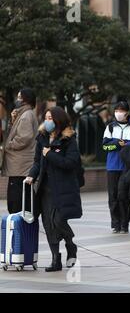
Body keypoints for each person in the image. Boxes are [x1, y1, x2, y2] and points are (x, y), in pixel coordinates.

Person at [25, 107, 82, 272]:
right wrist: (31, 176)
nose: (47, 121)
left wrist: (50, 154)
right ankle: (55, 259)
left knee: (58, 220)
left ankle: (70, 245)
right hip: (45, 188)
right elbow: (37, 162)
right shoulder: (42, 137)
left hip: (63, 187)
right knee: (48, 224)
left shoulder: (69, 139)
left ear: (59, 120)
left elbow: (70, 163)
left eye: (50, 117)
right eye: (46, 117)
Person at [2, 88, 39, 214]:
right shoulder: (22, 114)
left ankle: (20, 228)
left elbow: (24, 138)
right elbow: (15, 132)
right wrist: (13, 120)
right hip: (19, 165)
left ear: (25, 99)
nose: (17, 100)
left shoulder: (26, 115)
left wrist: (9, 145)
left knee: (17, 202)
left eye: (19, 97)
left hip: (20, 165)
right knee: (22, 199)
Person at [102, 101, 130, 234]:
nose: (118, 113)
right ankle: (116, 224)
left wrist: (126, 144)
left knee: (125, 196)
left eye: (121, 110)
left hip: (127, 167)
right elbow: (105, 146)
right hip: (113, 167)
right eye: (116, 110)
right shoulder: (110, 127)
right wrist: (117, 144)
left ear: (127, 112)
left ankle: (125, 224)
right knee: (113, 196)